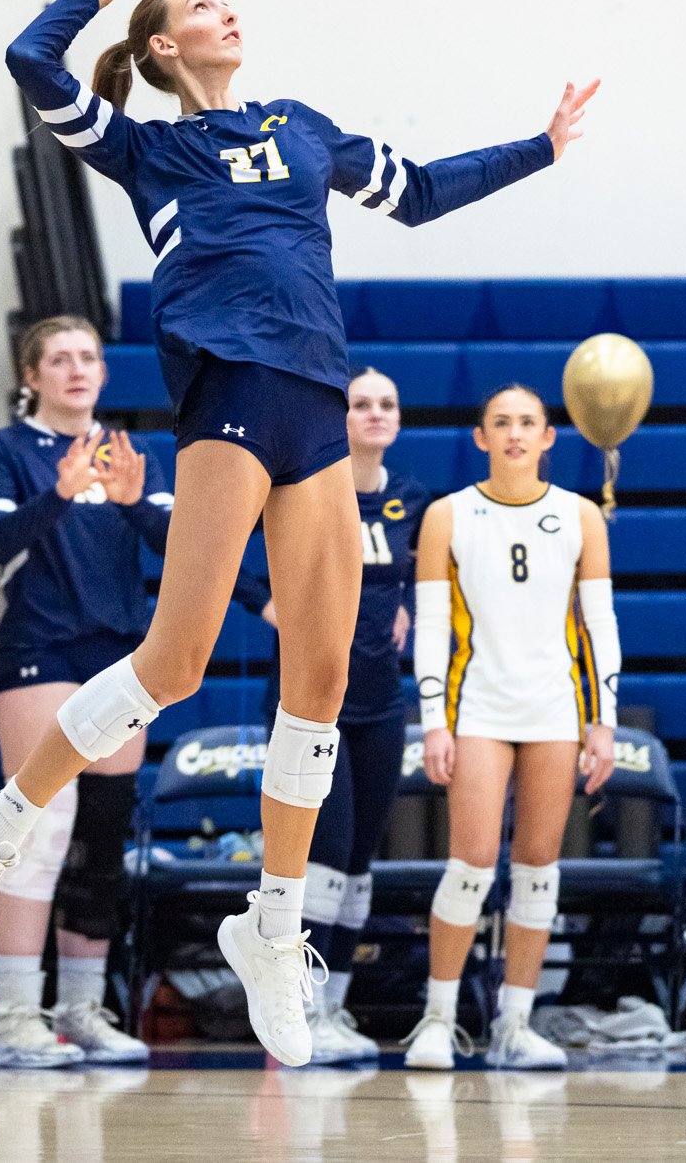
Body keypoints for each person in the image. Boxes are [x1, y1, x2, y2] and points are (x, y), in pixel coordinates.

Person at [0, 0, 594, 1066]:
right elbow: (32, 63)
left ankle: (272, 928)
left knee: (318, 679)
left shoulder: (301, 127)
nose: (224, 10)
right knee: (175, 661)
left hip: (314, 395)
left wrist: (540, 145)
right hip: (228, 381)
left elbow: (419, 191)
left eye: (225, 0)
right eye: (199, 4)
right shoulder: (147, 147)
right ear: (163, 46)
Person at [0, 315, 167, 1068]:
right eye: (59, 358)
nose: (77, 369)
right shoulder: (8, 451)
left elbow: (178, 544)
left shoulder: (131, 453)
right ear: (32, 375)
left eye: (88, 357)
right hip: (39, 652)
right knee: (41, 828)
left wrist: (131, 501)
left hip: (119, 658)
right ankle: (13, 1015)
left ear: (104, 373)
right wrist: (57, 494)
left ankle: (82, 1010)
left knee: (101, 838)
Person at [402, 382, 618, 1072]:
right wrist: (433, 723)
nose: (516, 433)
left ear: (549, 436)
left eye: (528, 422)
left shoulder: (581, 515)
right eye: (502, 422)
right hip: (478, 707)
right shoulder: (447, 515)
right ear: (481, 437)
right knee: (470, 864)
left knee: (538, 870)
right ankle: (438, 1019)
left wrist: (604, 721)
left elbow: (600, 624)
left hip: (555, 707)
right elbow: (430, 628)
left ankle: (515, 1024)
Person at [264, 367, 430, 1064]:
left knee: (359, 863)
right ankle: (298, 1006)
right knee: (324, 857)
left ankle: (332, 1006)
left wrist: (407, 607)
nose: (375, 413)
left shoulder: (412, 499)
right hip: (314, 699)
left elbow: (427, 576)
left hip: (382, 700)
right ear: (341, 417)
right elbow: (229, 545)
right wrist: (263, 599)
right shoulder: (307, 486)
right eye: (361, 403)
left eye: (387, 403)